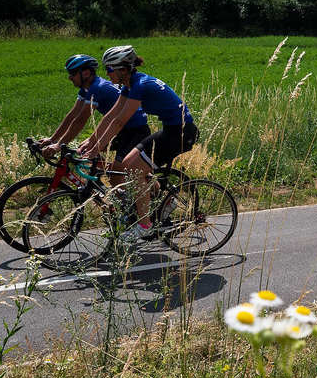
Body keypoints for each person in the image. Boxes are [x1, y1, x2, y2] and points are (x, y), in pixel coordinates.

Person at [80, 45, 198, 243]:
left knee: (134, 171)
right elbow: (110, 116)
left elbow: (119, 122)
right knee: (127, 165)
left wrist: (96, 149)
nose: (106, 73)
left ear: (123, 70)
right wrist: (90, 142)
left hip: (181, 133)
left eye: (109, 69)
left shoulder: (139, 85)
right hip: (172, 129)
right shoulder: (130, 84)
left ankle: (144, 224)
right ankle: (163, 201)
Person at [38, 55, 150, 174]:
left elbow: (80, 120)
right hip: (119, 129)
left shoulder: (98, 88)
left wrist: (59, 145)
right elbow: (72, 115)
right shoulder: (86, 89)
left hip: (135, 131)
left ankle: (138, 184)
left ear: (86, 73)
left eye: (73, 73)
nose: (70, 77)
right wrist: (52, 139)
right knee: (84, 150)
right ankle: (107, 183)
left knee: (119, 170)